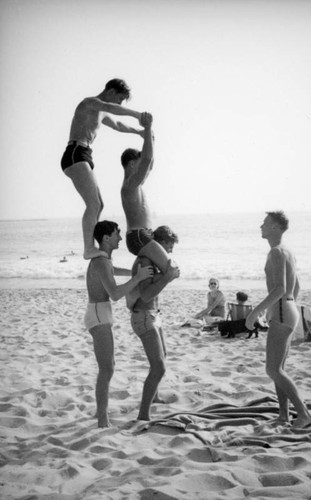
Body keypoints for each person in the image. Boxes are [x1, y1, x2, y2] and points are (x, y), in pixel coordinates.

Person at [61, 78, 146, 260]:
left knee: (99, 204)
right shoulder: (90, 103)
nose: (119, 103)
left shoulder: (101, 111)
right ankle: (88, 249)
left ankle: (95, 246)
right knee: (94, 204)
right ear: (111, 92)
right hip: (75, 152)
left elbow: (117, 124)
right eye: (120, 99)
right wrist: (138, 115)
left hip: (84, 154)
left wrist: (138, 132)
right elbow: (114, 109)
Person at [245, 211, 311, 429]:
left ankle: (303, 414)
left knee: (273, 370)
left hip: (283, 310)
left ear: (275, 227)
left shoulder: (276, 252)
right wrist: (282, 307)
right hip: (287, 309)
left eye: (264, 223)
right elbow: (296, 287)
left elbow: (280, 288)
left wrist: (255, 312)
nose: (260, 226)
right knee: (278, 368)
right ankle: (283, 415)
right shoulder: (288, 252)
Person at [84, 220, 153, 428]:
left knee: (108, 367)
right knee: (107, 369)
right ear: (106, 238)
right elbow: (114, 294)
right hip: (98, 314)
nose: (121, 238)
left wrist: (134, 273)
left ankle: (100, 413)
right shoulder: (101, 261)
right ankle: (102, 419)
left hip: (99, 313)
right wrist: (138, 277)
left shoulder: (104, 260)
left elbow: (112, 270)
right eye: (117, 234)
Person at [129, 225, 180, 421]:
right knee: (158, 367)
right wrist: (166, 277)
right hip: (143, 316)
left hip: (153, 315)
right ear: (160, 243)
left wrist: (165, 276)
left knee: (162, 357)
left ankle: (155, 397)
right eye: (169, 246)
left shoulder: (151, 261)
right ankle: (143, 416)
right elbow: (146, 293)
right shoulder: (144, 261)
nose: (170, 251)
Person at [120, 112, 174, 275]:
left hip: (143, 236)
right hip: (138, 235)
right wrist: (148, 128)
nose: (143, 167)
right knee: (170, 270)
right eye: (138, 163)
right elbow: (146, 160)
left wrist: (151, 138)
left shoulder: (136, 185)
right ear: (131, 164)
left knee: (156, 273)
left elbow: (149, 164)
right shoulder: (130, 185)